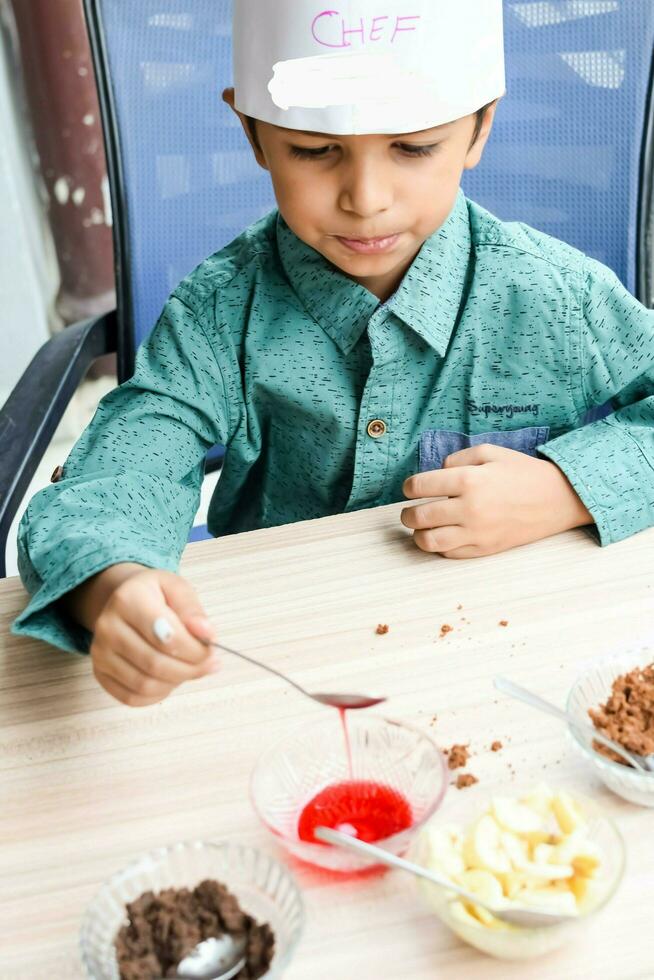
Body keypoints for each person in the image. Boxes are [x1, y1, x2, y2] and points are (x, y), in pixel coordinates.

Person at [12, 0, 654, 707]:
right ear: (253, 133)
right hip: (285, 669)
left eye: (413, 147)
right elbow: (114, 479)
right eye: (315, 151)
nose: (366, 198)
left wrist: (562, 491)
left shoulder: (555, 295)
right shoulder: (219, 316)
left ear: (480, 127)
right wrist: (114, 586)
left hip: (515, 662)